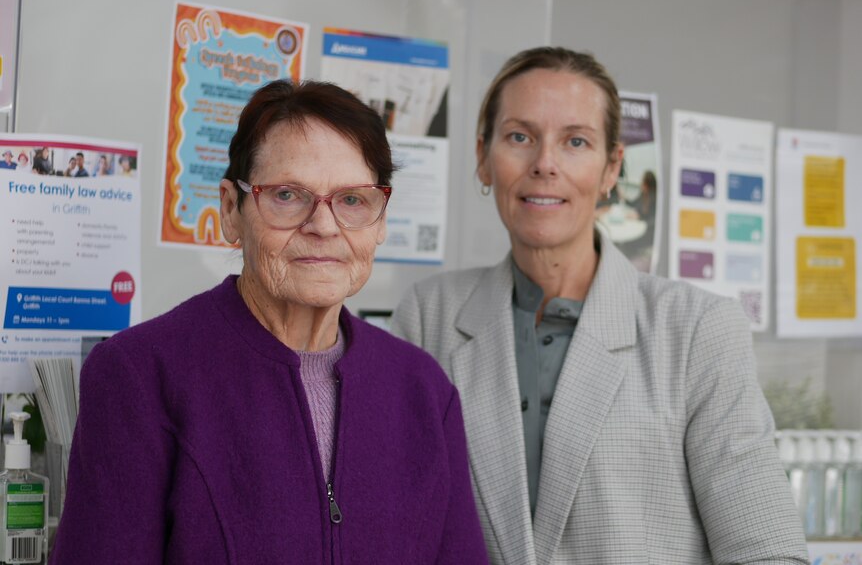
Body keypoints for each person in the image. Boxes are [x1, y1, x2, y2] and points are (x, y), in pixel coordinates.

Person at [392, 47, 808, 564]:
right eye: (520, 137)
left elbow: (766, 548)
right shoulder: (429, 316)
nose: (545, 164)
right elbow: (395, 529)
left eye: (576, 142)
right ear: (483, 157)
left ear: (612, 169)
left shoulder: (697, 330)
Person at [51, 80, 488, 564]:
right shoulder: (138, 375)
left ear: (380, 220)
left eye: (352, 201)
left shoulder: (424, 390)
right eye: (286, 195)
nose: (323, 226)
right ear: (230, 211)